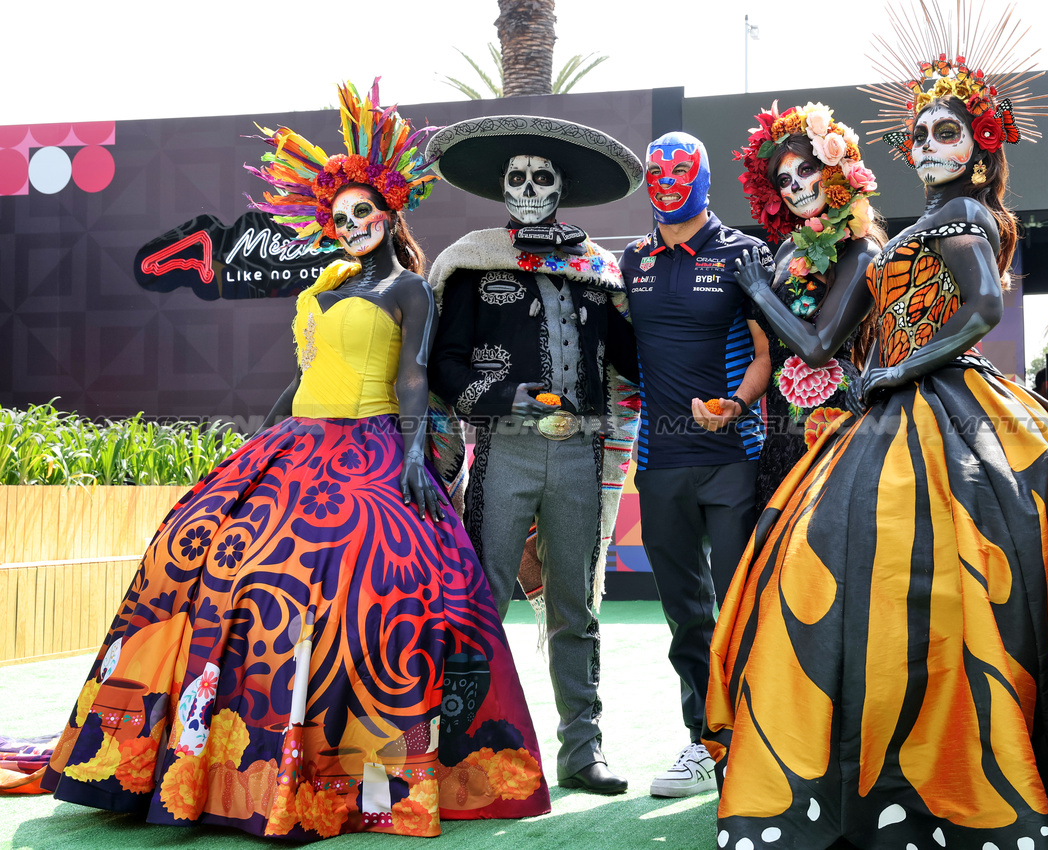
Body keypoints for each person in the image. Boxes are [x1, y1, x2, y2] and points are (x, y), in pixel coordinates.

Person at [707, 10, 1048, 849]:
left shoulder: (961, 219)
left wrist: (898, 370)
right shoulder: (912, 229)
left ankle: (969, 765)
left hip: (945, 405)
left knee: (974, 576)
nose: (930, 144)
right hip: (892, 414)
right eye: (918, 133)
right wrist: (783, 303)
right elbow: (829, 340)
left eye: (947, 131)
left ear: (978, 143)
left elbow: (980, 307)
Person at [34, 81, 550, 839]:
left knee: (361, 587)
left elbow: (411, 376)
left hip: (373, 448)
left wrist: (413, 454)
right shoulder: (327, 285)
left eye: (362, 213)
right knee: (190, 558)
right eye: (339, 219)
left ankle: (348, 771)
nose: (350, 227)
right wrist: (257, 445)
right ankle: (193, 760)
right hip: (296, 444)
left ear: (388, 213)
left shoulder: (410, 287)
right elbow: (302, 377)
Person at [424, 115, 643, 796]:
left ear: (560, 187)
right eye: (515, 177)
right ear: (501, 187)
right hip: (502, 450)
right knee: (483, 596)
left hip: (579, 454)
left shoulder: (598, 270)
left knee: (575, 606)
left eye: (540, 176)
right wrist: (498, 397)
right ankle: (465, 745)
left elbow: (632, 360)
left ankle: (582, 751)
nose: (527, 186)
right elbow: (444, 365)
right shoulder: (470, 258)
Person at [618, 131, 772, 798]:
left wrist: (735, 403)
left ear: (704, 179)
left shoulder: (745, 253)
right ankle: (703, 744)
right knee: (686, 616)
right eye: (656, 169)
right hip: (660, 461)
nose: (666, 179)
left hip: (733, 458)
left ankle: (762, 741)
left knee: (744, 606)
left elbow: (770, 352)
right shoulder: (631, 260)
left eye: (680, 169)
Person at [732, 101, 885, 506]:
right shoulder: (784, 251)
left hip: (834, 427)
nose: (795, 186)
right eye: (784, 180)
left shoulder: (862, 251)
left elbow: (818, 349)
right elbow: (767, 350)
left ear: (832, 170)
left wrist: (761, 291)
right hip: (780, 430)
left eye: (805, 170)